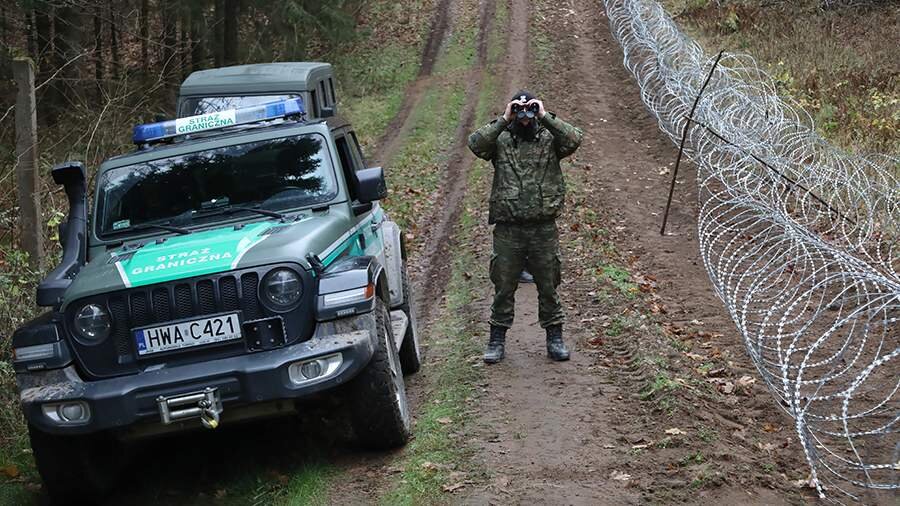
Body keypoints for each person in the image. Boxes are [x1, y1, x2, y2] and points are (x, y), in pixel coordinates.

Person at [467, 90, 583, 363]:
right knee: (504, 286)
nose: (525, 116)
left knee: (548, 285)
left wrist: (544, 114)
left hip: (543, 227)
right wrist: (504, 118)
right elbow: (475, 144)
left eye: (529, 110)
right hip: (509, 228)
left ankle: (555, 338)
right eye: (519, 111)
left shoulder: (549, 138)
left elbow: (574, 139)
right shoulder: (501, 140)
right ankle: (496, 341)